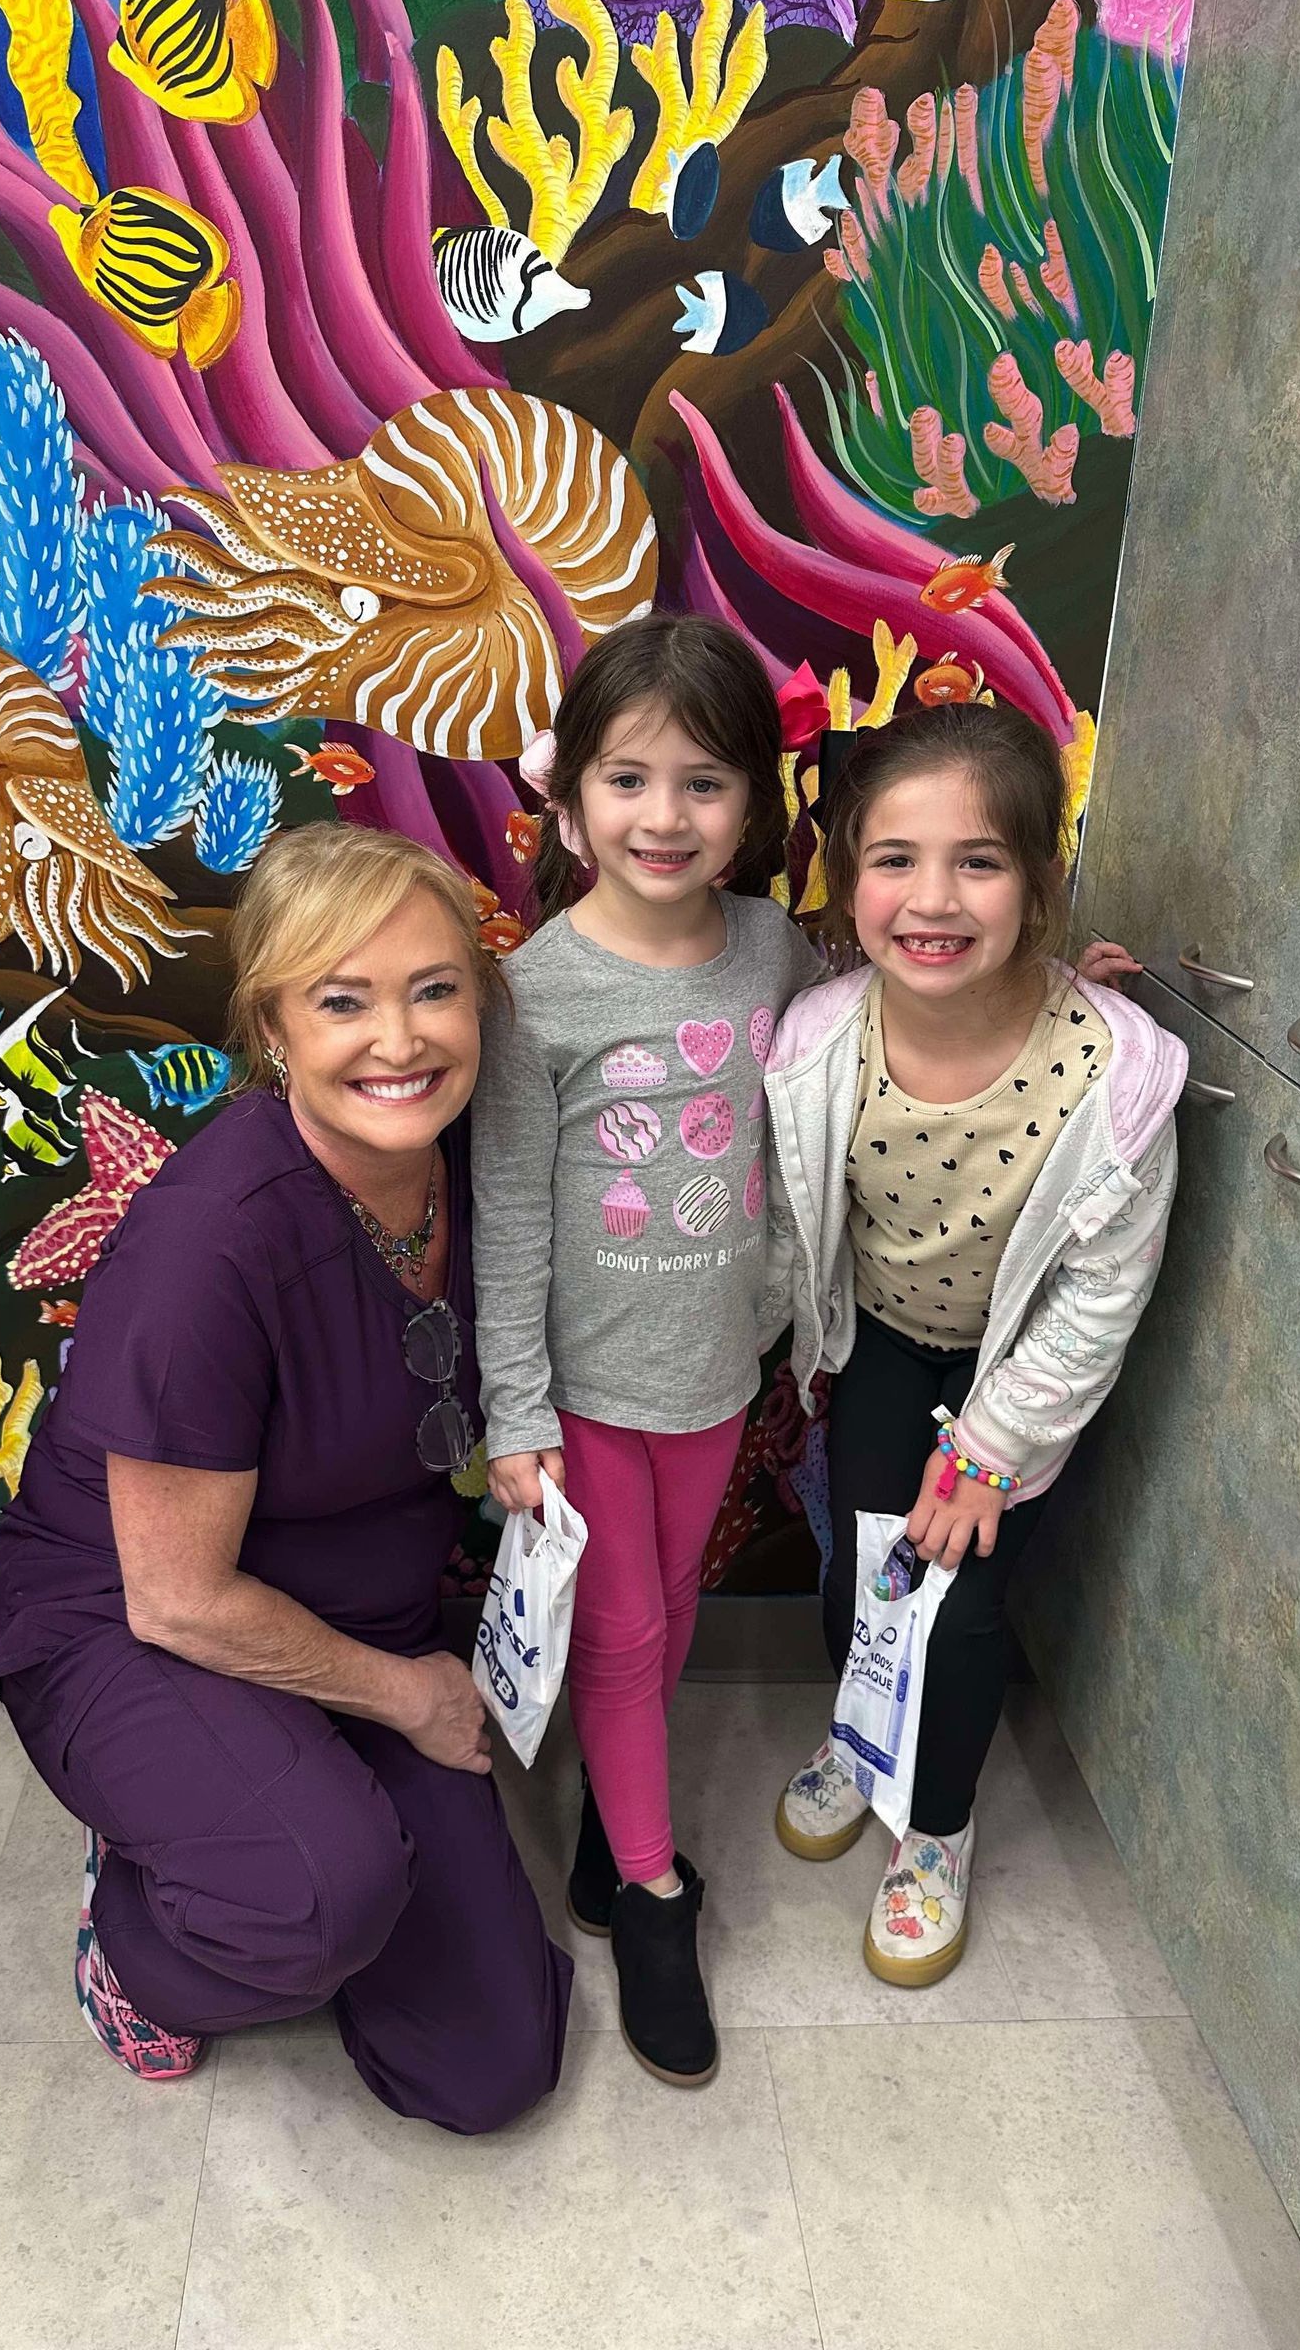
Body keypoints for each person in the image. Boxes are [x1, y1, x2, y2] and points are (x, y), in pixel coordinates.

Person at [0, 824, 571, 2134]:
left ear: (482, 1002)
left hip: (361, 1606)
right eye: (342, 1001)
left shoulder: (490, 1164)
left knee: (490, 2066)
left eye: (434, 989)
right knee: (313, 1899)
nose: (399, 1040)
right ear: (273, 1027)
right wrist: (408, 1697)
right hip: (140, 1625)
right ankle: (135, 1938)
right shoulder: (211, 1244)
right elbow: (176, 1596)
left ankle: (283, 1828)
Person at [762, 704, 1186, 1987]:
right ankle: (860, 1738)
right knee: (863, 1572)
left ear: (1038, 883)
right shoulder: (818, 1039)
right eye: (896, 857)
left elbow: (1099, 1296)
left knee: (961, 1607)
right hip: (888, 1346)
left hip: (1022, 1375)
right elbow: (792, 1221)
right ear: (848, 872)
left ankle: (935, 1828)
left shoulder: (1114, 1077)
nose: (933, 898)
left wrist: (994, 1447)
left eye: (979, 861)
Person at [471, 614, 822, 2088]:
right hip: (585, 1390)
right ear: (571, 797)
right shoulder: (536, 993)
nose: (663, 816)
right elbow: (506, 1212)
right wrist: (517, 1409)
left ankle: (611, 1846)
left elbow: (820, 1110)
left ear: (751, 801)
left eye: (703, 782)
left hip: (717, 1369)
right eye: (628, 778)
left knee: (670, 1610)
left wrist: (786, 1306)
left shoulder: (774, 950)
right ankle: (654, 1898)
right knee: (620, 1633)